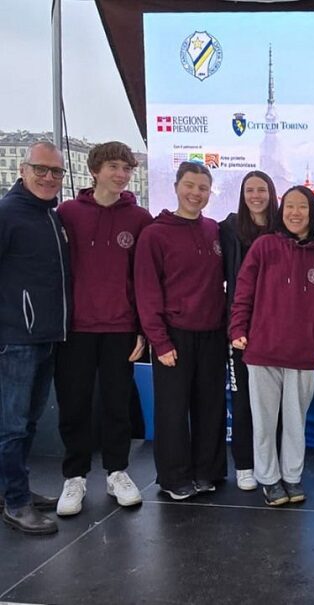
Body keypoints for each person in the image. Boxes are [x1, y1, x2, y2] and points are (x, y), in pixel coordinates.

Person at [52, 142, 152, 517]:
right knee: (74, 403)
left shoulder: (139, 218)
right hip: (75, 328)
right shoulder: (67, 213)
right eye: (113, 167)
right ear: (94, 170)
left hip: (120, 326)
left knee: (117, 404)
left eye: (126, 168)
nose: (121, 175)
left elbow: (143, 279)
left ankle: (117, 472)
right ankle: (75, 477)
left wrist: (141, 328)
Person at [230, 186, 314, 506]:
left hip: (303, 353)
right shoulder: (264, 246)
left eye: (302, 207)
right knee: (264, 422)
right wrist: (237, 327)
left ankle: (292, 476)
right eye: (289, 206)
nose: (295, 212)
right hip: (262, 350)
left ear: (312, 212)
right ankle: (269, 479)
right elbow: (243, 292)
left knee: (295, 422)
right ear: (282, 211)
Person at [134, 161, 227, 501]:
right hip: (174, 335)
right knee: (173, 410)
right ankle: (175, 477)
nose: (195, 193)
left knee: (210, 407)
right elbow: (147, 291)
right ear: (176, 187)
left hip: (212, 333)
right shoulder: (155, 234)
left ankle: (207, 471)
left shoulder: (213, 230)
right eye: (190, 185)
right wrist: (159, 340)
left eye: (203, 188)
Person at [0, 142, 69, 535]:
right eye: (41, 169)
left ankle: (12, 489)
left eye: (56, 172)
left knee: (26, 422)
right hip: (15, 339)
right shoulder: (8, 214)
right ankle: (16, 503)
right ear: (23, 170)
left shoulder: (50, 216)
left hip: (45, 337)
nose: (48, 177)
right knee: (11, 425)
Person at [220, 170, 278, 492]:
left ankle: (272, 461)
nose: (256, 196)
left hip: (275, 329)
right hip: (240, 329)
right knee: (242, 399)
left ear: (271, 193)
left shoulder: (283, 229)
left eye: (261, 190)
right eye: (250, 190)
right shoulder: (228, 229)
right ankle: (244, 464)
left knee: (274, 403)